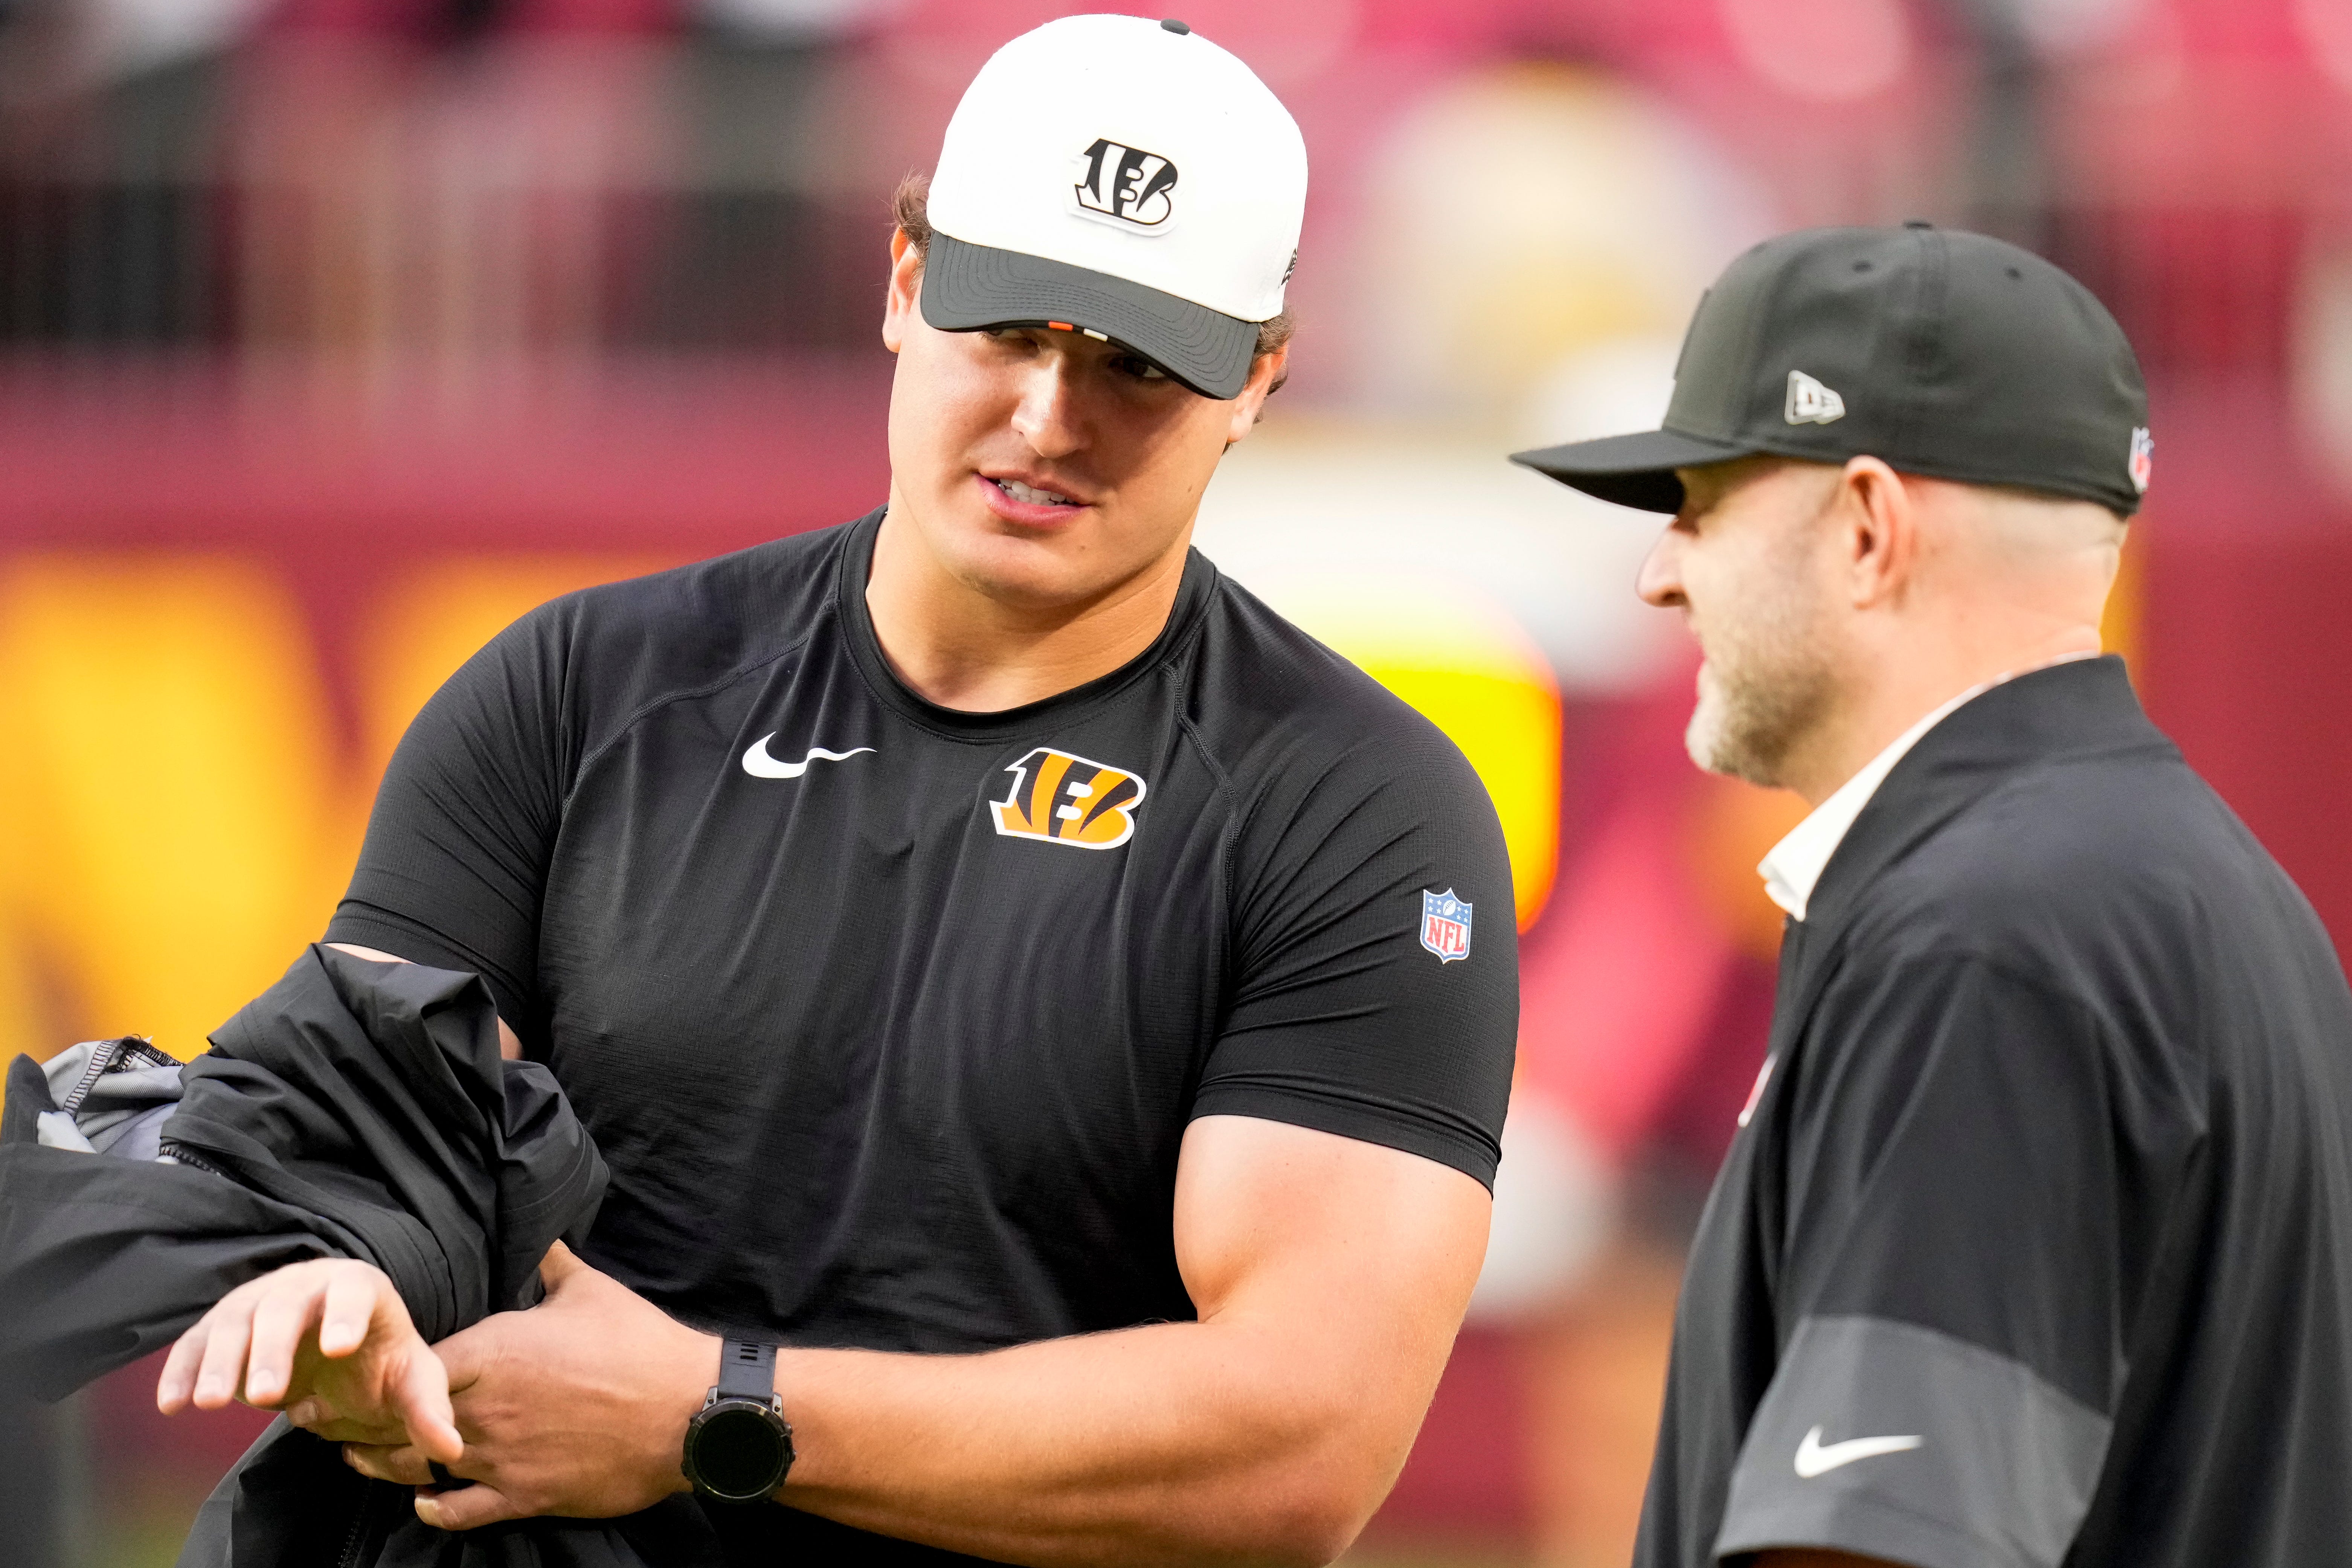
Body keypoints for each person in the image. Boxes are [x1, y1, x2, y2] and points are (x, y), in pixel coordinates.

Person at [156, 16, 1518, 1568]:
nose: (1048, 420)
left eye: (1138, 367)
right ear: (901, 277)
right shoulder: (574, 692)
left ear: (1258, 379)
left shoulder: (1352, 813)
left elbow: (1298, 1447)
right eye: (1008, 325)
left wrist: (710, 1413)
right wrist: (341, 1268)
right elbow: (365, 1145)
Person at [1513, 222, 2352, 1568]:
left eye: (1700, 509)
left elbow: (1886, 1542)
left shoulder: (1988, 934)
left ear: (1866, 529)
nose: (1659, 574)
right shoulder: (2204, 887)